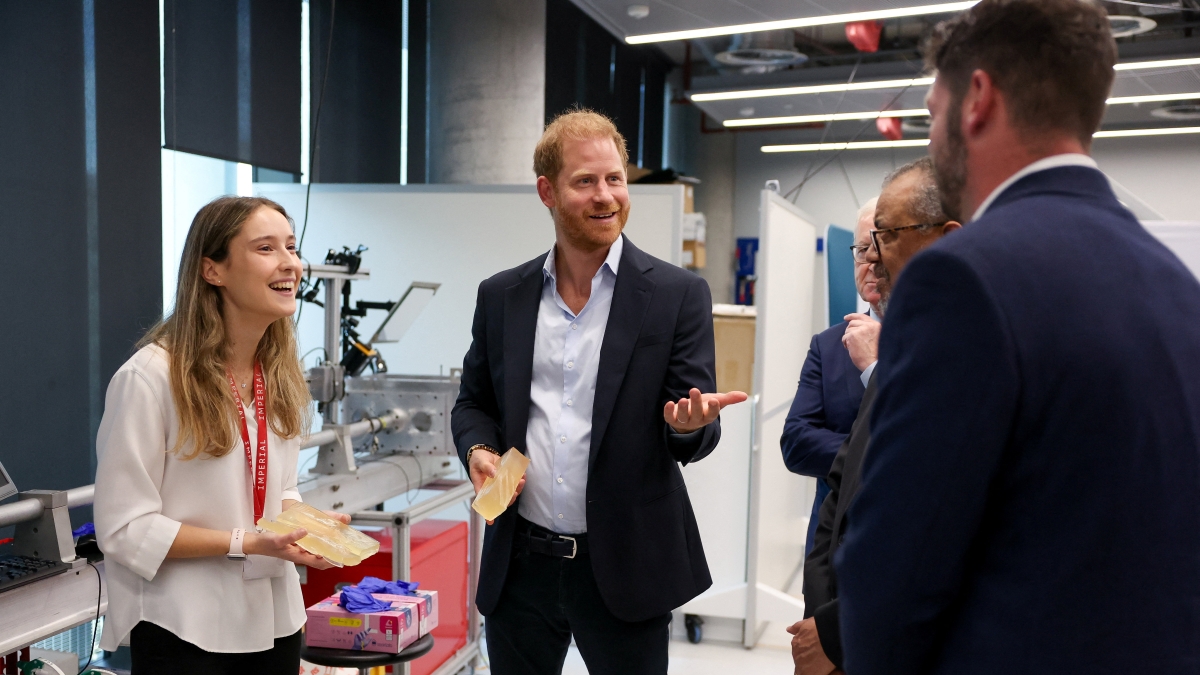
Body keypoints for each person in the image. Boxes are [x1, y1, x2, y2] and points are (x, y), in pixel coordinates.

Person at [836, 1, 1200, 673]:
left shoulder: (961, 281)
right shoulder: (1176, 286)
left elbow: (893, 573)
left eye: (931, 111)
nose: (931, 131)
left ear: (976, 99)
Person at [451, 109, 746, 675]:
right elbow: (473, 403)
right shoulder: (502, 295)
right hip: (521, 566)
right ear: (548, 192)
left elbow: (694, 424)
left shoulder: (676, 295)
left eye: (614, 178)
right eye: (585, 181)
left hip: (626, 563)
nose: (606, 195)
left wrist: (688, 426)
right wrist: (478, 450)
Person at [95, 197, 346, 674]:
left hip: (277, 621)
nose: (290, 262)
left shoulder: (277, 375)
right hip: (186, 629)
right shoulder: (150, 378)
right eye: (266, 248)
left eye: (291, 247)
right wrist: (245, 542)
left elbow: (282, 489)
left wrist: (309, 527)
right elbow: (124, 529)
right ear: (213, 270)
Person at [787, 157, 961, 675]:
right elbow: (838, 482)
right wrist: (821, 616)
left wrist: (836, 632)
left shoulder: (959, 352)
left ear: (943, 238)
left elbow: (931, 531)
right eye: (864, 244)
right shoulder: (895, 342)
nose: (871, 258)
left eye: (884, 237)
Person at [779, 198, 882, 557]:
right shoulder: (829, 344)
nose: (870, 262)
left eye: (881, 246)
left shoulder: (939, 339)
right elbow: (796, 443)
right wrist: (882, 455)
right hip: (830, 550)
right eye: (861, 249)